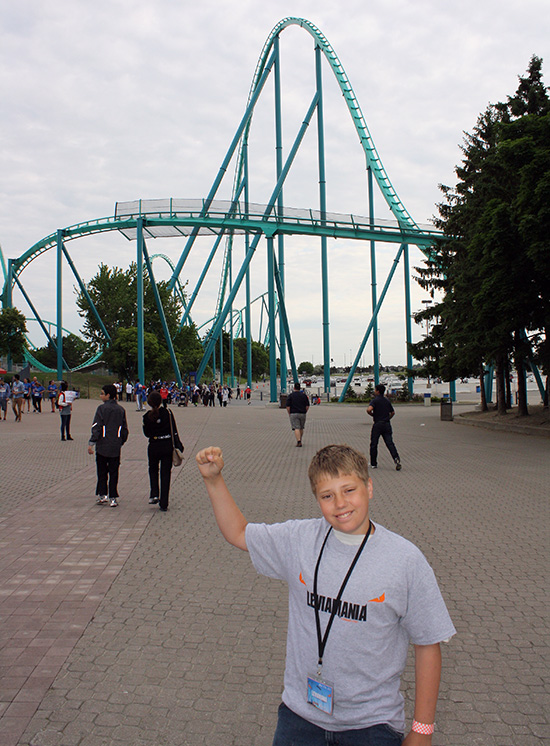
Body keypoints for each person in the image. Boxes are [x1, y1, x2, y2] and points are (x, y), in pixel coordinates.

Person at [196, 443, 455, 745]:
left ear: (369, 487)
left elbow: (427, 644)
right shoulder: (300, 540)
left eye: (349, 490)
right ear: (317, 499)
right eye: (327, 496)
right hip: (301, 717)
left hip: (371, 724)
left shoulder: (405, 560)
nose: (340, 504)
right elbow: (239, 533)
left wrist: (422, 730)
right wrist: (213, 480)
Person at [87, 384, 129, 507]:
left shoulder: (101, 409)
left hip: (102, 445)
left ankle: (102, 494)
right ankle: (113, 497)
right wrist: (121, 441)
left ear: (108, 395)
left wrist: (92, 442)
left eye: (102, 393)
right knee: (114, 472)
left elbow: (97, 426)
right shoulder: (121, 410)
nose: (101, 396)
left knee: (102, 471)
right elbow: (124, 429)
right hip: (115, 445)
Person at [142, 391, 183, 512]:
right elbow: (173, 429)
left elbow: (147, 434)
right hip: (167, 445)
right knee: (165, 473)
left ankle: (154, 494)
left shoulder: (146, 417)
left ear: (149, 403)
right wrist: (178, 443)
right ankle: (164, 502)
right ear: (161, 401)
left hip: (154, 445)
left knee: (153, 469)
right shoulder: (168, 413)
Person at [367, 384, 402, 470]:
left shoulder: (375, 401)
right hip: (386, 424)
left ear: (378, 391)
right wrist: (387, 418)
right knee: (389, 443)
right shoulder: (387, 401)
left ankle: (373, 463)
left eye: (375, 390)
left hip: (378, 424)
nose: (374, 391)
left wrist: (373, 415)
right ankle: (396, 458)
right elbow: (393, 412)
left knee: (374, 444)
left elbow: (368, 409)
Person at [286, 382, 310, 447]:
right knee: (301, 428)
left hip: (293, 413)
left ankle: (298, 441)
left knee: (296, 428)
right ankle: (300, 439)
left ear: (294, 388)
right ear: (300, 388)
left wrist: (289, 413)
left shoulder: (291, 396)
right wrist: (305, 411)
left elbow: (288, 406)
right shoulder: (304, 395)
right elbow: (307, 405)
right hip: (302, 413)